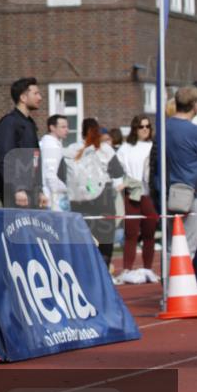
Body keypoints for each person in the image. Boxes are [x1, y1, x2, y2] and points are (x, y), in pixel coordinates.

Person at [64, 118, 124, 270]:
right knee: (105, 241)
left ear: (82, 131)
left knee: (83, 241)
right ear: (98, 131)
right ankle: (103, 272)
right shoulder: (105, 150)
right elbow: (117, 171)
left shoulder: (71, 149)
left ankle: (85, 273)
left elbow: (61, 174)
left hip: (78, 202)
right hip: (102, 200)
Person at [153, 86, 197, 266]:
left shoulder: (163, 128)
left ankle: (169, 289)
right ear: (194, 105)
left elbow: (155, 162)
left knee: (172, 246)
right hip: (190, 194)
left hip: (167, 194)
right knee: (188, 247)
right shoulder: (193, 132)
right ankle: (181, 291)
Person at [0, 78, 49, 209]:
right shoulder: (9, 123)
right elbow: (5, 158)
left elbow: (35, 160)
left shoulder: (29, 124)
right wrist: (17, 189)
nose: (40, 97)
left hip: (32, 192)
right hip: (18, 195)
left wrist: (39, 190)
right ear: (23, 97)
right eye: (35, 93)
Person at [117, 115, 158, 284]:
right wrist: (123, 184)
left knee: (149, 233)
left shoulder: (154, 146)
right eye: (141, 127)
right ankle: (126, 269)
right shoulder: (125, 148)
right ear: (135, 129)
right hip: (132, 193)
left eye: (148, 126)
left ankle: (148, 268)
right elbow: (117, 171)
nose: (145, 129)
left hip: (149, 194)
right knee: (131, 233)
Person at [39, 114, 70, 211]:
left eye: (67, 127)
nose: (67, 130)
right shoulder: (51, 146)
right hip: (53, 200)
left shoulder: (46, 143)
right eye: (63, 127)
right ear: (52, 127)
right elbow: (50, 175)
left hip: (48, 196)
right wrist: (65, 190)